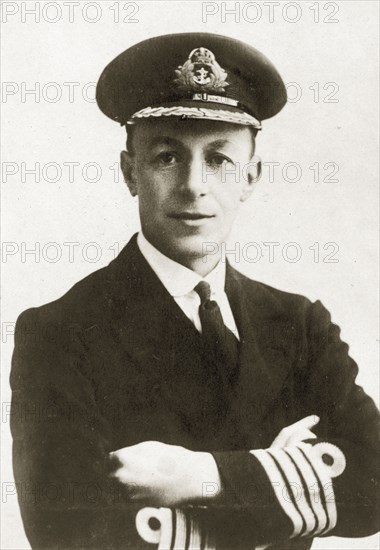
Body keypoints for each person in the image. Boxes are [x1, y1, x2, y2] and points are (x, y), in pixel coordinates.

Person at [10, 33, 379, 550]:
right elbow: (68, 531)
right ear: (129, 172)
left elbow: (373, 485)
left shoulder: (298, 325)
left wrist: (200, 477)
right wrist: (280, 476)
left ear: (251, 177)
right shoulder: (62, 332)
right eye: (166, 157)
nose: (194, 186)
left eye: (220, 160)